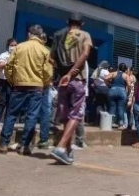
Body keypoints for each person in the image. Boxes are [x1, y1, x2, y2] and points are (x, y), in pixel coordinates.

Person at [0, 25, 52, 155]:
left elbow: (9, 66)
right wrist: (42, 84)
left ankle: (4, 144)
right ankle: (24, 146)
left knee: (11, 114)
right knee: (32, 116)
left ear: (29, 34)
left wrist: (12, 80)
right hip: (37, 86)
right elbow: (47, 72)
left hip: (19, 85)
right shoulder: (44, 50)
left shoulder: (19, 47)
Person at [50, 13, 92, 165]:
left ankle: (67, 152)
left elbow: (51, 58)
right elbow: (85, 53)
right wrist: (71, 72)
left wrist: (63, 72)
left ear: (68, 22)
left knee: (66, 116)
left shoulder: (60, 36)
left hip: (63, 82)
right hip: (77, 80)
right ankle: (61, 147)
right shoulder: (84, 35)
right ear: (82, 23)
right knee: (76, 115)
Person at [0, 38, 17, 130]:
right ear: (8, 46)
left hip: (14, 82)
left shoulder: (19, 56)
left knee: (11, 103)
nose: (13, 47)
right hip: (3, 81)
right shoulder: (3, 55)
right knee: (1, 102)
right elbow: (1, 65)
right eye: (12, 45)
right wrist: (11, 62)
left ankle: (7, 123)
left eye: (15, 45)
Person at [104, 63, 132, 129]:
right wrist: (128, 93)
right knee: (121, 108)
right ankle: (120, 124)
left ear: (118, 67)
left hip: (112, 90)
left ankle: (110, 123)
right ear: (125, 69)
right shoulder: (126, 75)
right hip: (122, 91)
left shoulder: (114, 73)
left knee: (112, 107)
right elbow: (129, 85)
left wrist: (108, 85)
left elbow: (105, 78)